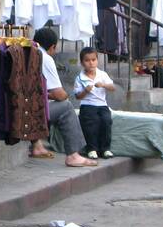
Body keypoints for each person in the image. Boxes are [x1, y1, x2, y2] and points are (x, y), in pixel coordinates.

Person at [29, 27, 98, 168]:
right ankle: (73, 155)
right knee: (65, 107)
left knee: (41, 100)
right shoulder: (45, 58)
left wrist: (46, 94)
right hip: (29, 114)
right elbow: (59, 95)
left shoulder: (27, 53)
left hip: (21, 109)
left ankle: (37, 145)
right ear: (53, 47)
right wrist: (64, 95)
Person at [73, 46, 116, 159]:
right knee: (91, 124)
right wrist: (85, 90)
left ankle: (105, 149)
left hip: (102, 105)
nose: (91, 63)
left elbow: (112, 87)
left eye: (93, 60)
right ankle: (92, 149)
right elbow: (77, 96)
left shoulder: (102, 74)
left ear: (97, 60)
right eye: (87, 60)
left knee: (106, 121)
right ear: (82, 63)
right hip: (87, 105)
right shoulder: (80, 78)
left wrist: (103, 85)